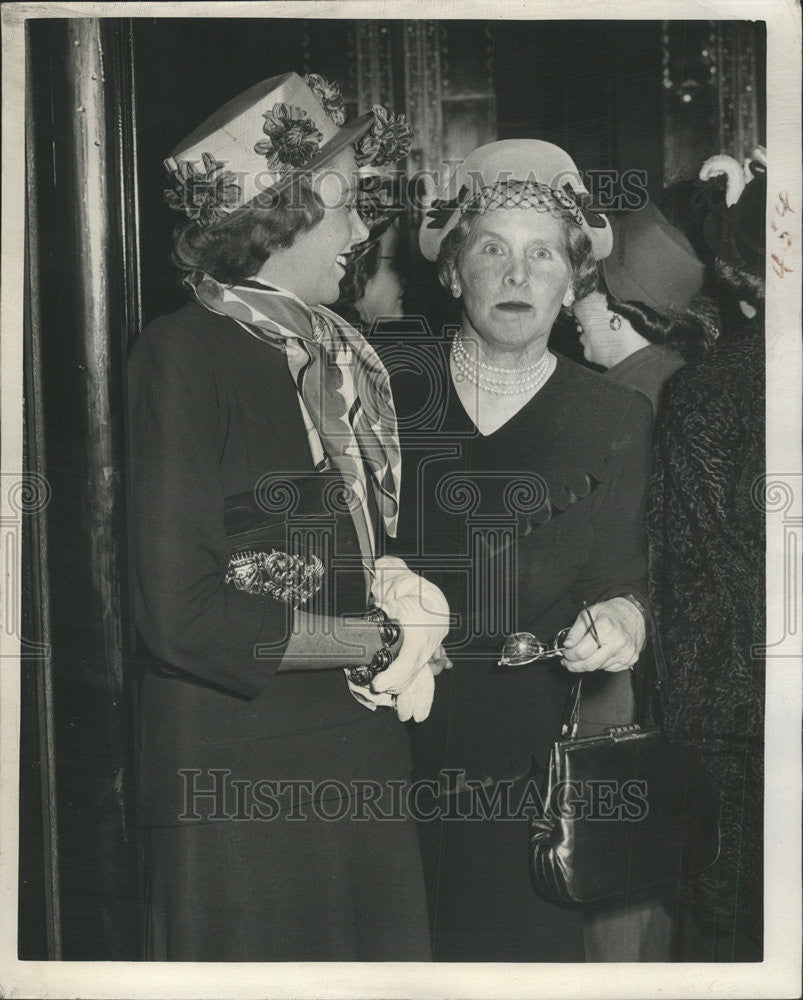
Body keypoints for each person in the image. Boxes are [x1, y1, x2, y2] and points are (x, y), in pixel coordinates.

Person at [128, 71, 449, 961]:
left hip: (358, 761)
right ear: (281, 213)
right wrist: (373, 642)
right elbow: (180, 614)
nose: (360, 231)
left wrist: (394, 579)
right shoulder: (182, 355)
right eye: (344, 207)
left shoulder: (337, 352)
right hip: (241, 785)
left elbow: (329, 546)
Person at [393, 140, 655, 962]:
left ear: (573, 279)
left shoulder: (613, 418)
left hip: (528, 767)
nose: (516, 275)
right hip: (381, 747)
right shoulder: (387, 391)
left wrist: (622, 618)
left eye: (541, 254)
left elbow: (624, 580)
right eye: (491, 249)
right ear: (451, 271)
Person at [648, 150, 767, 961]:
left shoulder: (708, 391)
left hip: (733, 720)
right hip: (741, 729)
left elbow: (687, 584)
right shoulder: (711, 392)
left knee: (733, 933)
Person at [571, 202, 718, 416]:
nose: (571, 303)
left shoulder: (611, 407)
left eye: (583, 286)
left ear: (617, 310)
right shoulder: (674, 375)